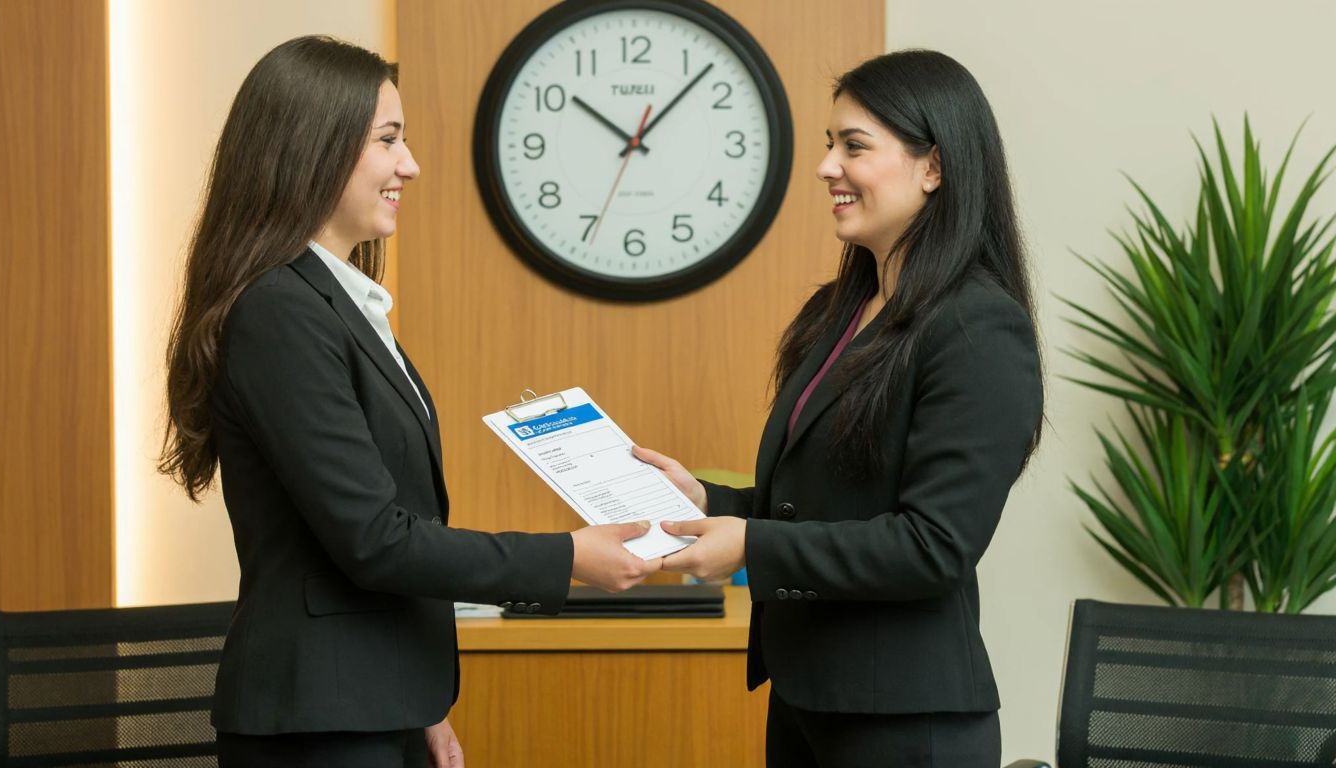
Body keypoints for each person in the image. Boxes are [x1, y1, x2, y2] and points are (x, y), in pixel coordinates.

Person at [158, 35, 660, 768]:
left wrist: (413, 703)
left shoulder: (333, 302)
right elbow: (375, 538)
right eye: (388, 140)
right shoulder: (279, 310)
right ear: (314, 147)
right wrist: (566, 559)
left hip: (365, 705)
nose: (410, 165)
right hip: (317, 729)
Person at [634, 49, 1044, 768]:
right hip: (807, 699)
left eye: (854, 146)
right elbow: (826, 501)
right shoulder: (840, 310)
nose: (828, 167)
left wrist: (748, 545)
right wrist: (707, 500)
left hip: (905, 723)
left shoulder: (978, 327)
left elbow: (932, 546)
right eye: (830, 145)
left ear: (934, 167)